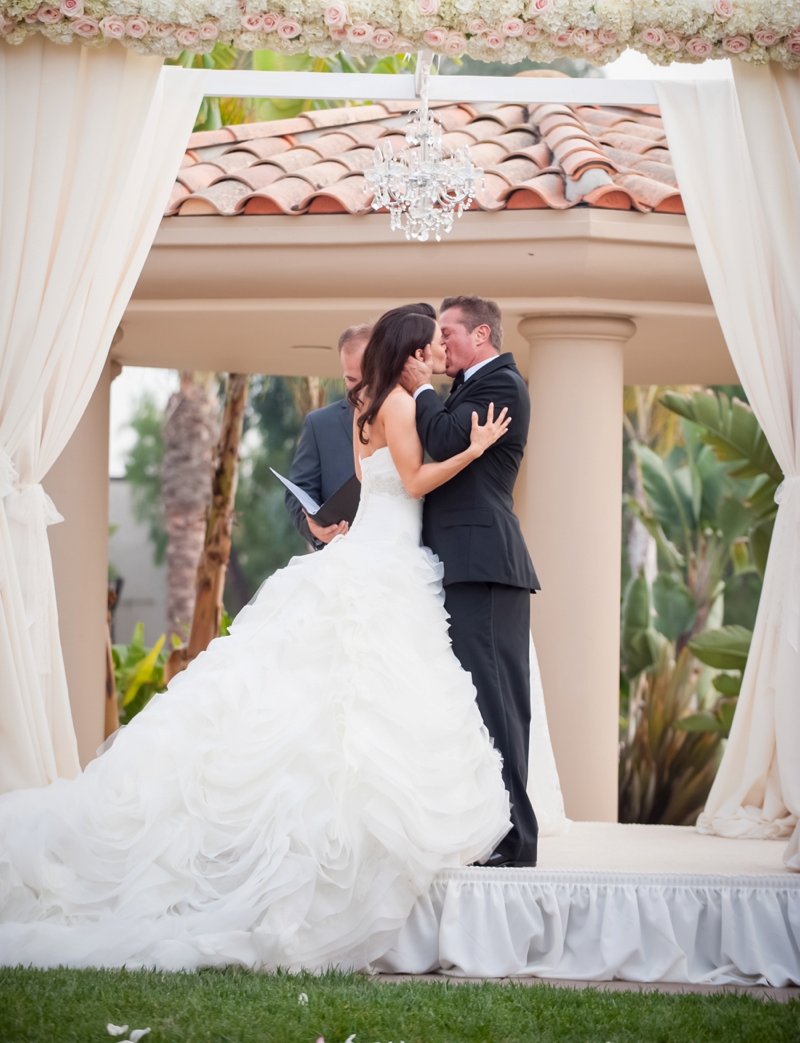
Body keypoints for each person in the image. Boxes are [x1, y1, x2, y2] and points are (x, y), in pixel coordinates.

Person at [0, 310, 511, 973]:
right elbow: (413, 482)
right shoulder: (400, 403)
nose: (435, 356)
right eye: (427, 347)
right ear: (408, 352)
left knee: (337, 697)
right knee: (362, 699)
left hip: (375, 553)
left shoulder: (365, 407)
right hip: (385, 561)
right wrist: (473, 449)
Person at [402, 296, 540, 867]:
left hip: (483, 563)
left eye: (448, 333)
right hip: (460, 562)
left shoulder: (502, 386)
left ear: (481, 334)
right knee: (473, 704)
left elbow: (441, 439)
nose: (439, 345)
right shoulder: (468, 388)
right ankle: (486, 829)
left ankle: (515, 840)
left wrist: (418, 388)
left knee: (499, 703)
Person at [286, 306, 437, 548]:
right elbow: (299, 492)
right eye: (351, 380)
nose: (360, 389)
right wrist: (314, 528)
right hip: (343, 557)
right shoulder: (319, 424)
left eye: (367, 378)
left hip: (409, 544)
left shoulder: (420, 408)